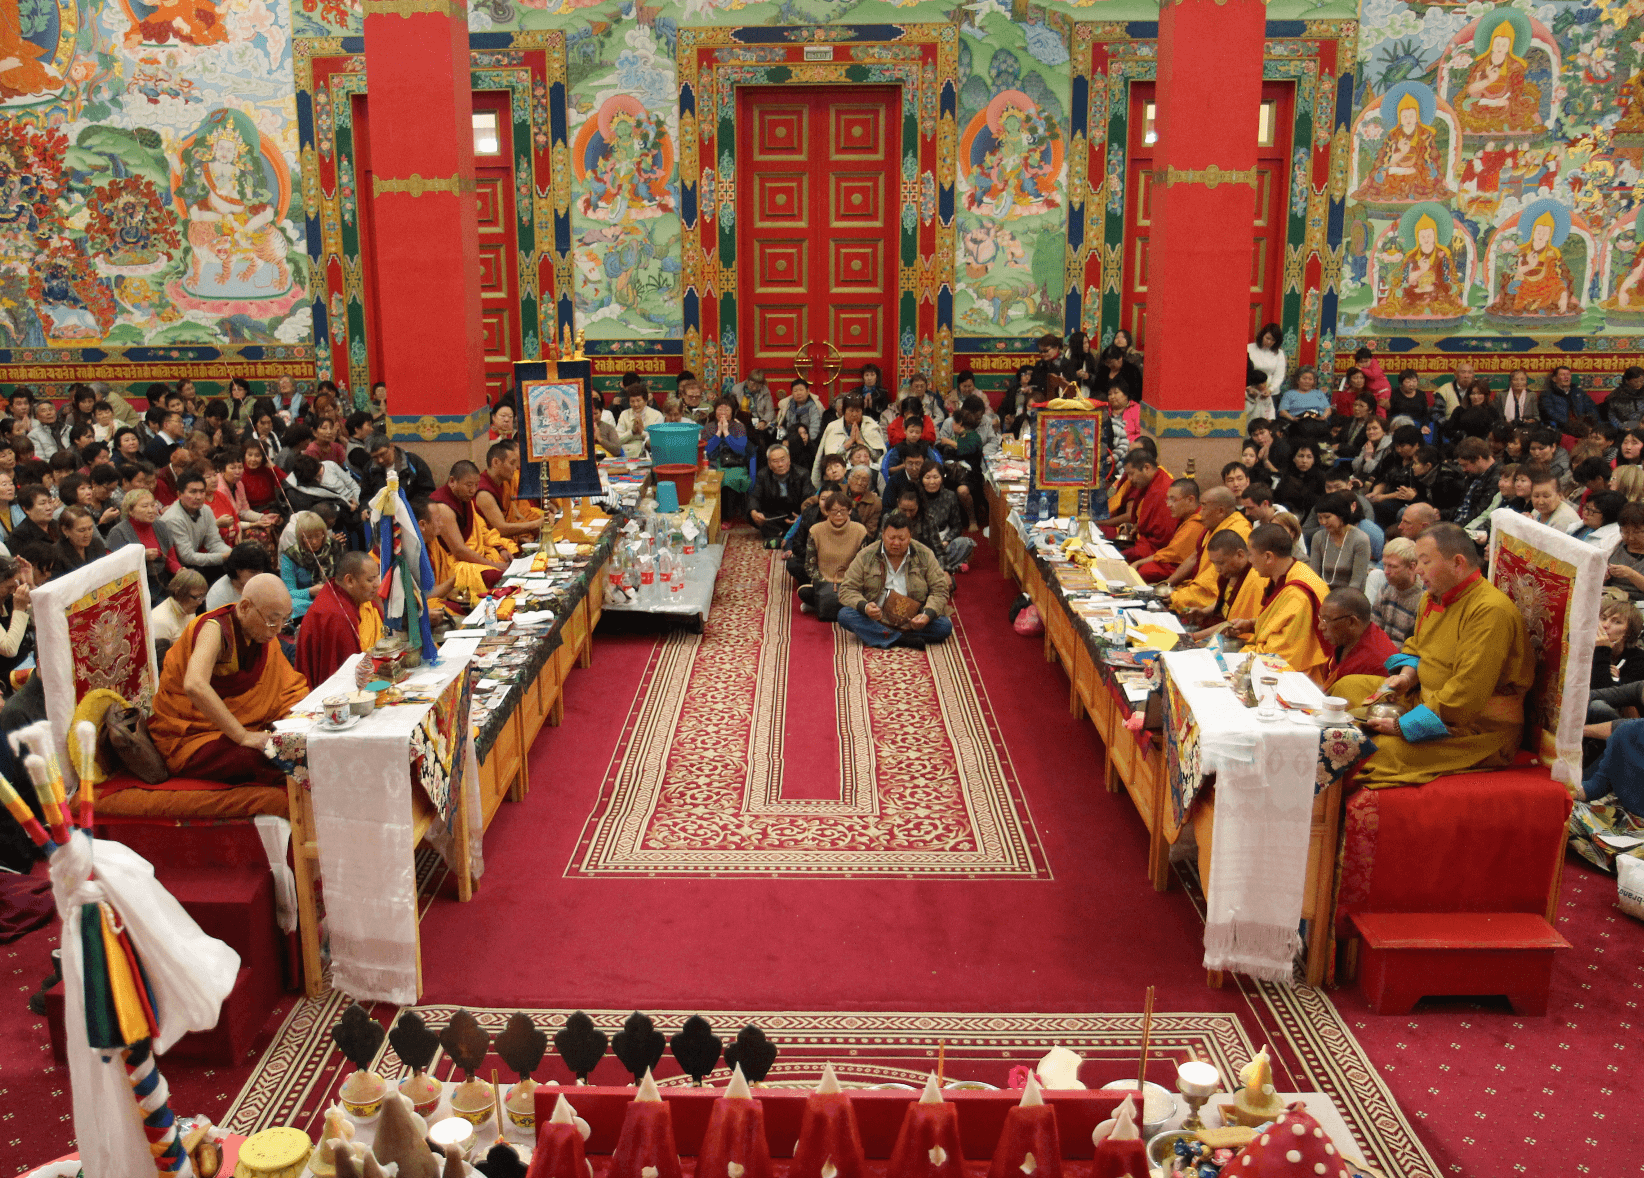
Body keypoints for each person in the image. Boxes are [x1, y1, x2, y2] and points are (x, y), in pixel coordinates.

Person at [1356, 525, 1535, 789]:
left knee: (1375, 751)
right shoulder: (1432, 597)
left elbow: (1467, 691)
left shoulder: (1490, 612)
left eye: (1425, 562)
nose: (1418, 570)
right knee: (1347, 688)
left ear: (1458, 563)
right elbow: (1417, 647)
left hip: (1475, 727)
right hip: (1424, 698)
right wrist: (1406, 678)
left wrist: (1402, 726)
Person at [146, 574, 310, 786]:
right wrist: (242, 736)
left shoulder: (260, 634)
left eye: (284, 620)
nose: (278, 629)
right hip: (194, 735)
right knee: (261, 758)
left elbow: (286, 688)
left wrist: (291, 719)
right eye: (272, 620)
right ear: (245, 607)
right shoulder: (214, 629)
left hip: (246, 724)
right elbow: (194, 685)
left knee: (302, 740)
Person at [1229, 522, 1332, 685]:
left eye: (1251, 554)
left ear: (1268, 557)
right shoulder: (1294, 570)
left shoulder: (1298, 595)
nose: (1249, 561)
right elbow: (1282, 623)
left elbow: (1279, 658)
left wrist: (1240, 656)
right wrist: (1252, 624)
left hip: (1298, 681)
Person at [835, 512, 953, 649]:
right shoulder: (866, 555)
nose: (896, 543)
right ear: (883, 534)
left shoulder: (925, 554)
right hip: (876, 617)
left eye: (901, 539)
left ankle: (883, 635)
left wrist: (926, 615)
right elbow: (847, 589)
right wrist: (865, 607)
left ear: (910, 536)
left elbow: (940, 590)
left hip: (913, 618)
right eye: (891, 538)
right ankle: (903, 639)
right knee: (845, 615)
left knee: (944, 626)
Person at [293, 550, 385, 687]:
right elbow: (345, 675)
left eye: (377, 577)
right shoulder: (336, 616)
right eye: (370, 580)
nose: (377, 584)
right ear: (349, 581)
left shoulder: (348, 596)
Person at [1167, 487, 1251, 613]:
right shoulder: (1214, 526)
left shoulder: (1237, 531)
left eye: (1204, 507)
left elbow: (1211, 587)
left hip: (1217, 603)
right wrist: (1167, 584)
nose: (1200, 513)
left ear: (1220, 511)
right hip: (1198, 589)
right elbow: (1194, 557)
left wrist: (1176, 597)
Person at [1317, 587, 1400, 705]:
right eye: (1320, 618)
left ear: (1351, 622)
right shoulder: (1345, 639)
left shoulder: (1378, 659)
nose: (1320, 626)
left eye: (1326, 620)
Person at [429, 461, 510, 579]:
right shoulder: (443, 508)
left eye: (476, 485)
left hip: (472, 555)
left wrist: (500, 548)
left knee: (510, 554)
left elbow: (481, 530)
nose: (473, 490)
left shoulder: (465, 498)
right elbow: (459, 551)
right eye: (469, 485)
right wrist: (493, 565)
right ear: (452, 481)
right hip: (451, 563)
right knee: (496, 575)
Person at [798, 492, 867, 619]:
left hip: (851, 583)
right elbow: (810, 565)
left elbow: (864, 565)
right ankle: (829, 604)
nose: (839, 515)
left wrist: (848, 583)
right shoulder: (816, 530)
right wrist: (824, 582)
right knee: (804, 592)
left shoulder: (860, 530)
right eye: (834, 511)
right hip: (825, 582)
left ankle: (820, 605)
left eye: (843, 511)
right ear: (827, 512)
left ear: (850, 511)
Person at [107, 488, 181, 598]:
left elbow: (170, 559)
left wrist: (180, 571)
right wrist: (141, 556)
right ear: (130, 511)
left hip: (162, 582)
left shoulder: (161, 526)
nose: (151, 510)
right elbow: (113, 567)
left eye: (153, 505)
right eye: (145, 506)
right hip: (134, 588)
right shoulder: (118, 533)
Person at [1132, 478, 1205, 583]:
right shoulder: (1185, 516)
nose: (1168, 504)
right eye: (1168, 499)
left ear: (1190, 500)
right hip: (1171, 561)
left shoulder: (1196, 523)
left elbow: (1172, 554)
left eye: (1173, 500)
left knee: (1145, 571)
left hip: (1183, 569)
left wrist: (1139, 563)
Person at [161, 471, 233, 575]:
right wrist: (223, 557)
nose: (198, 497)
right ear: (179, 494)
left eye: (202, 491)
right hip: (178, 570)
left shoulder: (206, 510)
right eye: (193, 492)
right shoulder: (173, 518)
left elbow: (214, 542)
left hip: (194, 562)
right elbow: (187, 557)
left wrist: (231, 554)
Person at [473, 441, 540, 549]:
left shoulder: (504, 484)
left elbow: (516, 515)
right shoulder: (484, 494)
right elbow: (501, 529)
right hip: (492, 544)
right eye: (512, 463)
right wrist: (536, 524)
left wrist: (523, 534)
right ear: (495, 462)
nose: (516, 468)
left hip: (508, 539)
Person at [279, 510, 341, 620]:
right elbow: (288, 593)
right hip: (305, 604)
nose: (314, 542)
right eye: (308, 538)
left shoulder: (335, 547)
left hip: (333, 598)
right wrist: (310, 591)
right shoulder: (290, 556)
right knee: (291, 605)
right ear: (300, 537)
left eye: (318, 536)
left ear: (324, 533)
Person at [812, 395, 886, 486]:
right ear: (844, 411)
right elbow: (830, 458)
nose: (854, 414)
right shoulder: (833, 427)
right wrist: (849, 442)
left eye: (858, 411)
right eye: (851, 411)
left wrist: (860, 442)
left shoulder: (870, 425)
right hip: (841, 475)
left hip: (868, 472)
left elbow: (878, 456)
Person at [1307, 491, 1372, 592]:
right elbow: (1314, 575)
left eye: (1327, 517)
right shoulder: (1318, 537)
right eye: (1319, 518)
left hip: (1349, 595)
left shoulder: (1360, 539)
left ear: (1341, 514)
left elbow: (1357, 582)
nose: (1323, 522)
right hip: (1321, 592)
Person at [750, 444, 813, 546]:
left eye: (783, 460)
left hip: (796, 514)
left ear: (789, 459)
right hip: (774, 516)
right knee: (757, 517)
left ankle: (781, 537)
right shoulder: (763, 475)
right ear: (769, 464)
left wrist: (801, 518)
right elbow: (754, 496)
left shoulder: (802, 474)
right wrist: (753, 512)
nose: (780, 464)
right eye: (775, 461)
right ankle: (787, 536)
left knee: (811, 518)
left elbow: (809, 498)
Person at [915, 463, 973, 573]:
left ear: (942, 478)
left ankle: (933, 566)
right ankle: (947, 566)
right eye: (927, 478)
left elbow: (957, 526)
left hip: (943, 540)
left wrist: (946, 541)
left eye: (935, 477)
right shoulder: (916, 496)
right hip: (923, 541)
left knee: (965, 543)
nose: (932, 482)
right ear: (921, 479)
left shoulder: (950, 496)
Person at [1118, 450, 1175, 561]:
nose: (1129, 479)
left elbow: (1161, 540)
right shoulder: (1150, 483)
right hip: (1142, 541)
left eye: (1131, 473)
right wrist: (1135, 527)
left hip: (1156, 551)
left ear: (1147, 468)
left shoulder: (1163, 491)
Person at [1369, 536, 1423, 646]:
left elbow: (1417, 646)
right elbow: (1374, 630)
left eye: (1392, 566)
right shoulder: (1385, 589)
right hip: (1381, 649)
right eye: (1384, 564)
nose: (1386, 571)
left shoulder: (1424, 599)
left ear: (1412, 567)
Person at [204, 542, 273, 611]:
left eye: (260, 572)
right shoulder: (218, 594)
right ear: (238, 570)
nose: (257, 576)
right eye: (252, 572)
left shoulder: (265, 585)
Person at [150, 568, 207, 646]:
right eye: (197, 597)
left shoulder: (189, 610)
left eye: (202, 597)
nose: (200, 603)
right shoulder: (160, 621)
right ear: (179, 592)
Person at [1275, 441, 1326, 520]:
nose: (1304, 461)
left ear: (1314, 460)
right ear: (1293, 458)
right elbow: (1278, 497)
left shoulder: (1321, 477)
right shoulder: (1286, 474)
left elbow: (1321, 502)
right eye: (1301, 456)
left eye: (1309, 457)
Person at [53, 505, 108, 574]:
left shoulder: (96, 543)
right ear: (65, 530)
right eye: (82, 530)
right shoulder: (56, 554)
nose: (87, 535)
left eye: (90, 528)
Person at [1247, 324, 1286, 418]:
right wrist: (1249, 387)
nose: (1269, 342)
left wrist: (1270, 389)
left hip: (1270, 392)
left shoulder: (1279, 353)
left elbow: (1279, 375)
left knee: (1268, 420)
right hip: (1251, 391)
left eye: (1273, 340)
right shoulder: (1249, 348)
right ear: (1262, 335)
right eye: (1267, 338)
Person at [1527, 466, 1581, 534]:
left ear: (1559, 495)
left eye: (1546, 496)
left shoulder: (1564, 519)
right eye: (1536, 496)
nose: (1540, 502)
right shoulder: (1536, 511)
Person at [1606, 367, 1644, 431]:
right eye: (1636, 381)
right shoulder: (1616, 396)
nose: (1639, 384)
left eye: (1642, 381)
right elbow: (1611, 416)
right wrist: (1622, 427)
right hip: (1622, 429)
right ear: (1627, 380)